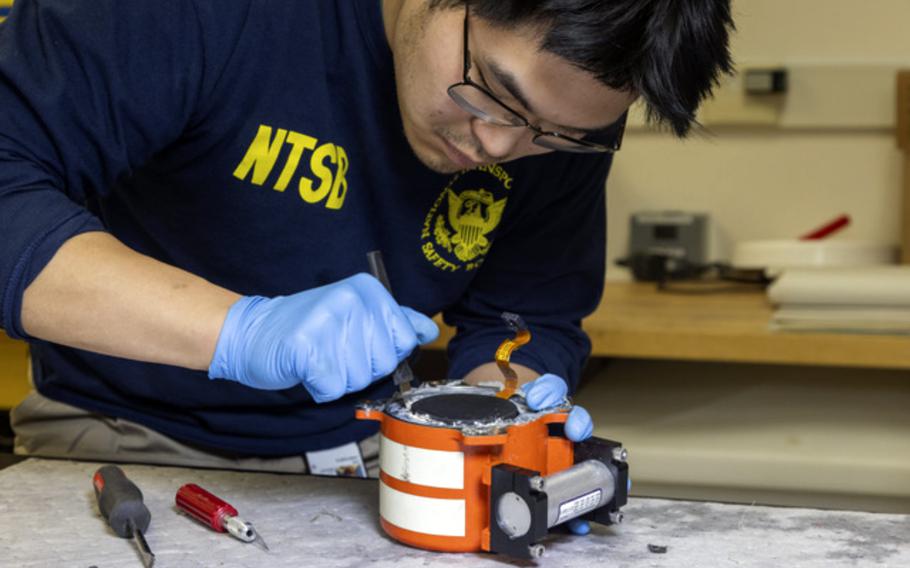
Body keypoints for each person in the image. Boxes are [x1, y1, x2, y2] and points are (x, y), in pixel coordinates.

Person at [0, 0, 733, 532]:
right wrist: (237, 331)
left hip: (386, 456)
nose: (501, 147)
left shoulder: (556, 124)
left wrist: (499, 414)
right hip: (127, 442)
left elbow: (526, 312)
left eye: (560, 135)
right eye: (495, 96)